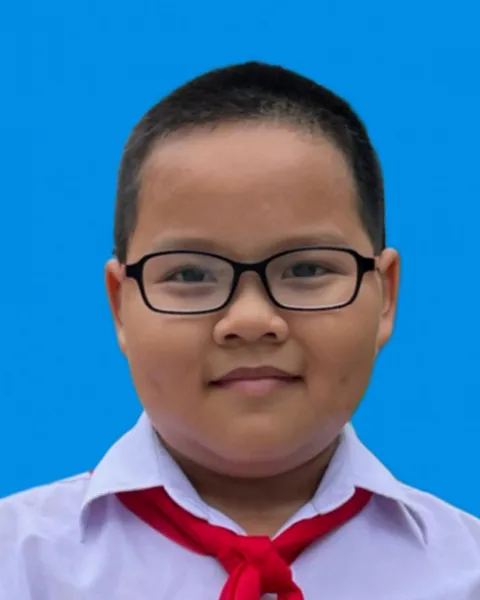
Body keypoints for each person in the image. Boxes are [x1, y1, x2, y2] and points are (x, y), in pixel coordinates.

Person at [1, 61, 479, 600]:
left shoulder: (467, 573)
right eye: (190, 275)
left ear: (386, 295)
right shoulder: (18, 566)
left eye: (306, 268)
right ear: (119, 305)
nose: (250, 321)